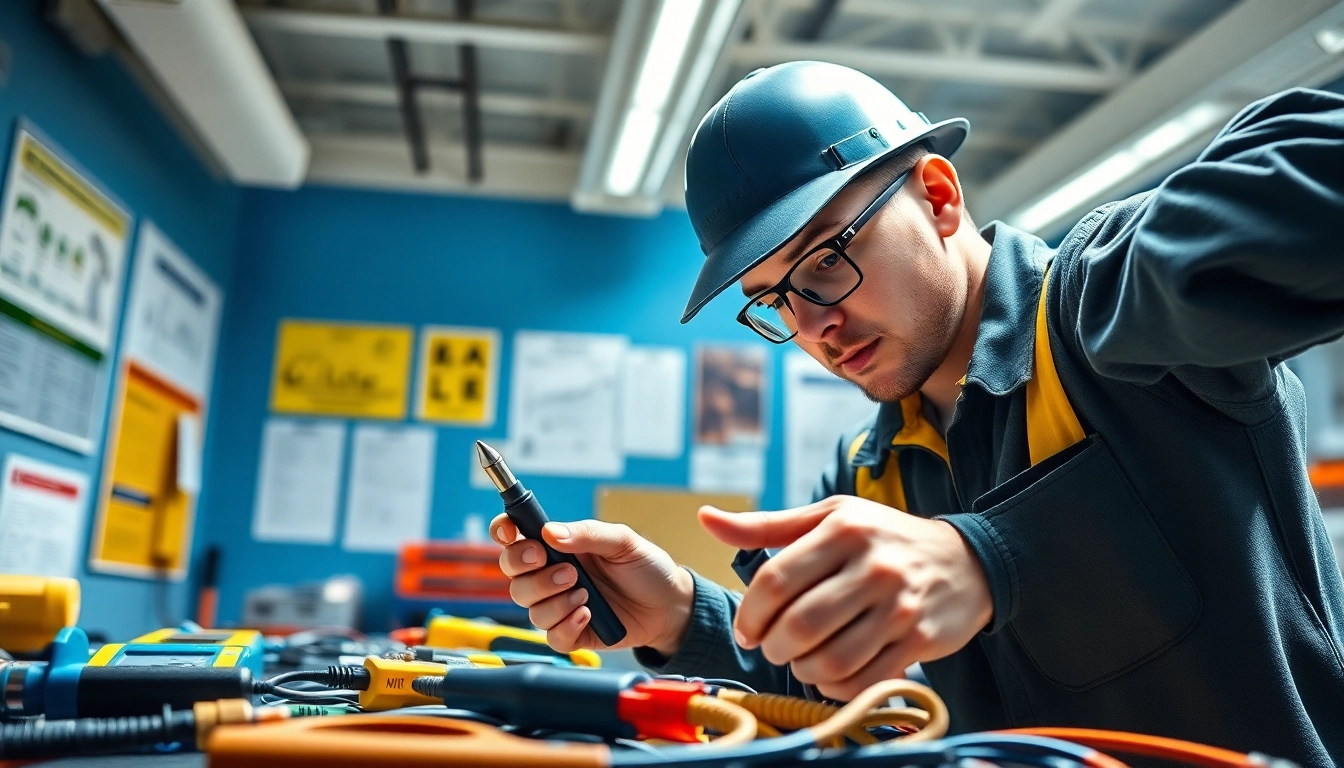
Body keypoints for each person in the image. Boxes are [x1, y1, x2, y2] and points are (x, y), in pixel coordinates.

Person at [491, 61, 1344, 764]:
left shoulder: (1104, 309)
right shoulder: (868, 475)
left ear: (938, 196)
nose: (815, 325)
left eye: (826, 259)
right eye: (776, 300)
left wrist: (990, 559)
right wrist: (679, 614)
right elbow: (841, 689)